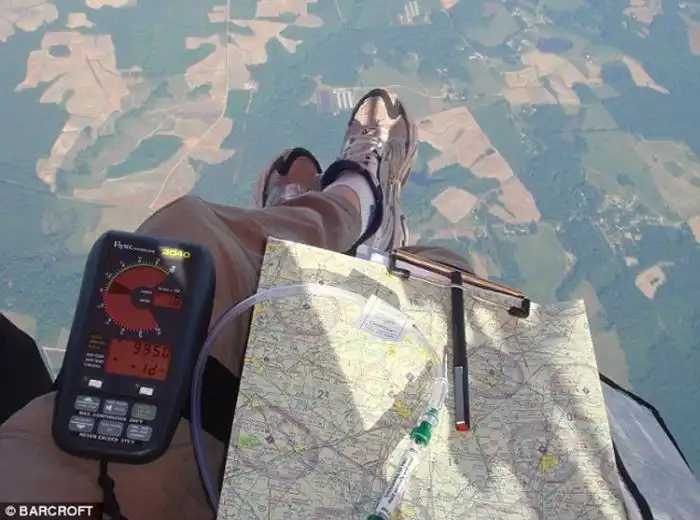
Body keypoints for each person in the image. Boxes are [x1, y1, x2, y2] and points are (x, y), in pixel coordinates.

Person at [0, 89, 472, 519]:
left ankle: (350, 212)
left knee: (184, 238)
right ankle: (353, 215)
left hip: (48, 467)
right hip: (190, 483)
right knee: (446, 277)